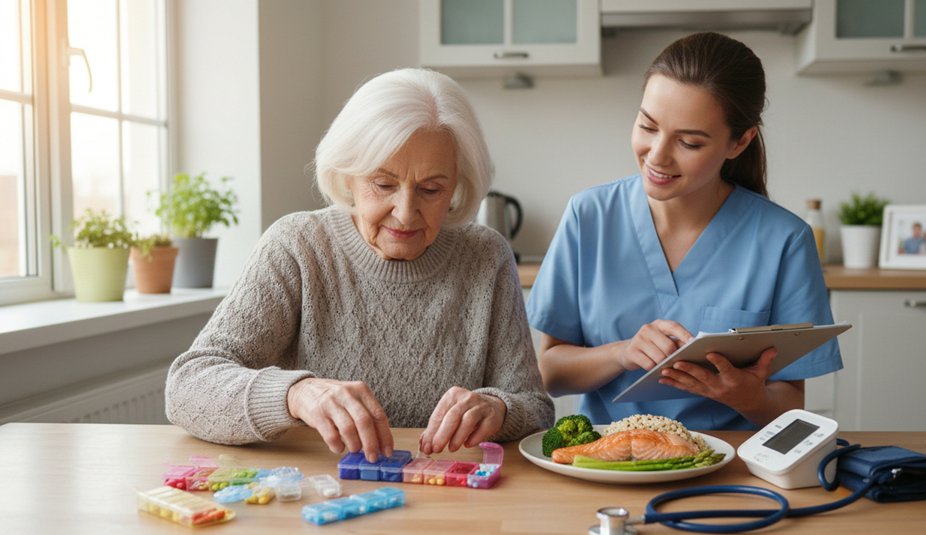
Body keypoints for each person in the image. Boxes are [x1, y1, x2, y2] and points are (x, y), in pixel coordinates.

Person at [166, 68, 553, 461]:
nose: (405, 213)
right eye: (383, 184)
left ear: (457, 184)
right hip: (318, 497)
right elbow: (187, 387)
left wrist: (498, 409)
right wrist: (295, 393)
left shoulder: (486, 256)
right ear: (347, 175)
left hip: (447, 497)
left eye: (431, 189)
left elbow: (536, 408)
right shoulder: (297, 246)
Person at [526, 32, 842, 431]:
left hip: (728, 467)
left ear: (739, 141)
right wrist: (622, 353)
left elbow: (792, 406)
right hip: (605, 461)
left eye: (689, 142)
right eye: (647, 126)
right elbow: (550, 373)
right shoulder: (589, 216)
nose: (657, 155)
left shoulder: (785, 241)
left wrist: (747, 395)